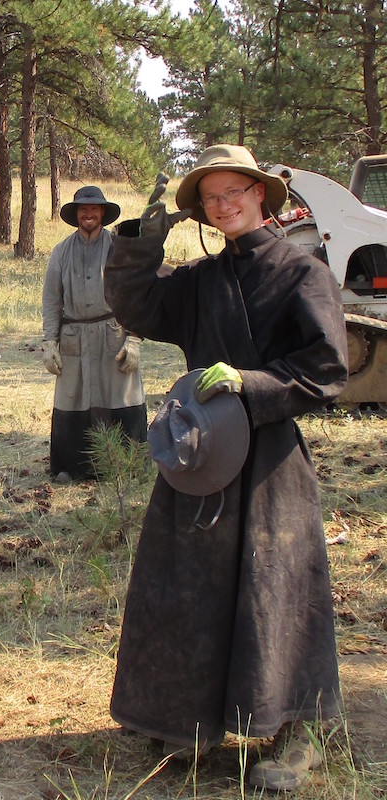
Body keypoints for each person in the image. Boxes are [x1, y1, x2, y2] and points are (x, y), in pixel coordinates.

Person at [103, 146, 348, 791]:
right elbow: (138, 309)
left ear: (260, 195)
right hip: (201, 452)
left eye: (235, 191)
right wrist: (138, 243)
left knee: (277, 590)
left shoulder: (303, 274)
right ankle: (183, 726)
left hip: (268, 461)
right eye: (212, 197)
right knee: (187, 586)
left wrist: (251, 383)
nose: (224, 204)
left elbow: (327, 371)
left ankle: (298, 733)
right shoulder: (201, 281)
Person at [41, 185, 147, 483]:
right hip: (74, 336)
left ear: (103, 213)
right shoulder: (61, 252)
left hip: (114, 335)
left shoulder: (118, 248)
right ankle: (71, 468)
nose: (89, 214)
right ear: (76, 215)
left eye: (94, 209)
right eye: (83, 209)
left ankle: (128, 467)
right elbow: (51, 300)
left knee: (122, 396)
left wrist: (136, 338)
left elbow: (135, 294)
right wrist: (50, 342)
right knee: (72, 399)